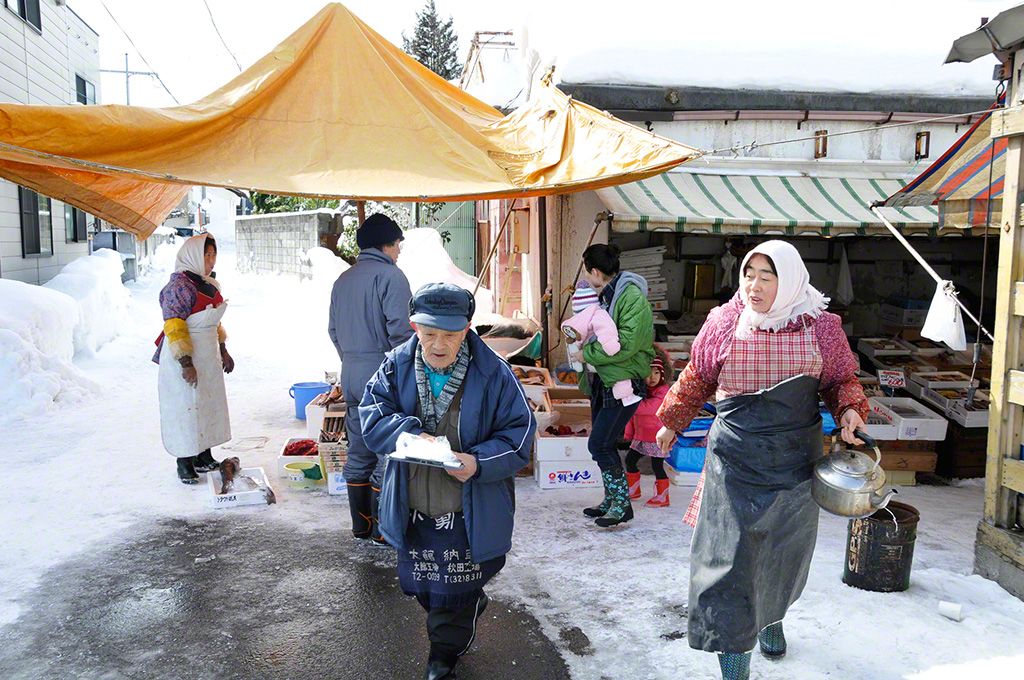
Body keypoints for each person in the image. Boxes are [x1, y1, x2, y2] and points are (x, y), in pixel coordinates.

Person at [654, 240, 869, 680]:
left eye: (766, 277)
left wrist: (850, 409)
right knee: (730, 562)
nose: (754, 286)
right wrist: (672, 420)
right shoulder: (725, 321)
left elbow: (841, 380)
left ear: (788, 281)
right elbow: (697, 376)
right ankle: (735, 662)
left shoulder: (821, 326)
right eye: (749, 275)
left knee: (782, 552)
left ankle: (771, 622)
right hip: (735, 459)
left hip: (794, 461)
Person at [360, 283, 535, 680]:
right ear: (414, 327)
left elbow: (520, 435)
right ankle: (466, 607)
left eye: (450, 335)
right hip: (413, 503)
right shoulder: (395, 366)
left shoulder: (495, 373)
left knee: (452, 590)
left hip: (466, 507)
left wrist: (479, 462)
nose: (438, 345)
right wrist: (407, 434)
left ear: (467, 329)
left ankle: (443, 653)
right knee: (424, 584)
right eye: (429, 333)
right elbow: (371, 415)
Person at [328, 213, 414, 543]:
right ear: (385, 245)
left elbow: (333, 330)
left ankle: (360, 526)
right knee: (386, 451)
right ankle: (382, 530)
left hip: (351, 372)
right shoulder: (391, 277)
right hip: (381, 374)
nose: (399, 251)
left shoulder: (343, 280)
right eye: (398, 244)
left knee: (359, 449)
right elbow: (401, 333)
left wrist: (351, 359)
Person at [574, 243, 655, 528]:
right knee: (603, 443)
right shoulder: (608, 295)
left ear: (596, 272)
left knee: (600, 443)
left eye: (587, 271)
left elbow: (627, 343)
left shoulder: (630, 296)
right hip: (606, 379)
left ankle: (621, 505)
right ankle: (612, 500)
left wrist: (587, 354)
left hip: (625, 380)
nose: (587, 277)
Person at [153, 234, 234, 483]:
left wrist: (223, 349)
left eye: (213, 255)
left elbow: (214, 321)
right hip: (184, 355)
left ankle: (203, 454)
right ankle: (184, 461)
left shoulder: (208, 283)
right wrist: (186, 362)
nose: (211, 261)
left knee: (208, 404)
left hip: (208, 355)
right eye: (206, 255)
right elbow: (174, 325)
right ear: (193, 256)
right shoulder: (179, 286)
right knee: (186, 406)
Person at [561, 281, 640, 405]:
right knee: (619, 373)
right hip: (599, 355)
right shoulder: (598, 314)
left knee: (588, 381)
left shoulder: (573, 321)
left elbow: (574, 341)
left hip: (585, 359)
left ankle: (587, 391)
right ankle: (627, 397)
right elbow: (606, 330)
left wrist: (576, 354)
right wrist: (611, 346)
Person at [622, 350, 672, 507]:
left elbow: (646, 409)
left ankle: (662, 496)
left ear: (662, 374)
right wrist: (629, 433)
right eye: (648, 373)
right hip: (641, 435)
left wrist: (628, 401)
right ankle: (633, 489)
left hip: (657, 436)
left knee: (657, 466)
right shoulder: (642, 391)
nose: (652, 377)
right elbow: (633, 417)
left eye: (657, 373)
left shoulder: (663, 392)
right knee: (630, 460)